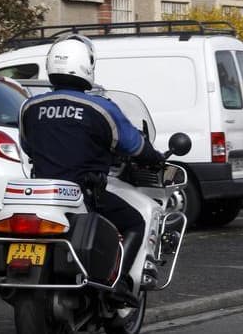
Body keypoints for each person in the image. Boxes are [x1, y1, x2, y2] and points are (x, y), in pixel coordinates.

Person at [18, 34, 165, 301]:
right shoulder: (100, 108)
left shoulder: (30, 107)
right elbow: (133, 145)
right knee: (135, 221)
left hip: (41, 195)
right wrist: (153, 157)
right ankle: (117, 284)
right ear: (87, 66)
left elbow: (28, 148)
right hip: (84, 194)